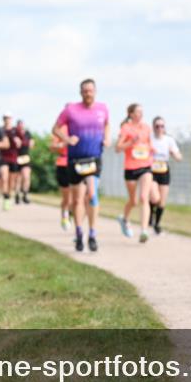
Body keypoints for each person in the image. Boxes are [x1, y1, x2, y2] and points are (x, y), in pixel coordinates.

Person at [53, 79, 111, 252]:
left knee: (92, 195)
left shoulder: (103, 108)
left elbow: (107, 124)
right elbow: (55, 129)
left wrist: (107, 138)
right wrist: (67, 139)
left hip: (94, 157)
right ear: (80, 92)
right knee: (78, 199)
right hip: (75, 159)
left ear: (95, 91)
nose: (88, 93)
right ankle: (79, 233)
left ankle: (92, 233)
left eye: (91, 90)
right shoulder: (70, 110)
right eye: (85, 91)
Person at [115, 103, 154, 243]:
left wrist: (151, 149)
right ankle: (124, 219)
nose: (140, 114)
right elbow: (118, 148)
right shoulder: (126, 128)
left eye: (141, 112)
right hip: (131, 168)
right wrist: (131, 142)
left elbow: (149, 144)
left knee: (144, 197)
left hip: (145, 166)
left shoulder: (147, 127)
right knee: (134, 200)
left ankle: (144, 230)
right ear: (131, 114)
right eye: (137, 112)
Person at [147, 116, 182, 235]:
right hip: (151, 171)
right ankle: (150, 215)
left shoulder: (169, 140)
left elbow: (178, 155)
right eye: (157, 126)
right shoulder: (149, 139)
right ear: (153, 127)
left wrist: (175, 155)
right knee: (154, 198)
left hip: (164, 170)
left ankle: (157, 224)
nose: (159, 128)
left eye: (162, 126)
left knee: (162, 201)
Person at [50, 126, 72, 231]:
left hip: (78, 163)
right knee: (67, 197)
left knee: (79, 197)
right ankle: (64, 215)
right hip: (63, 164)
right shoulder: (61, 129)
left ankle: (72, 215)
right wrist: (64, 143)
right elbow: (52, 147)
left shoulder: (81, 126)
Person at [10, 119, 34, 204]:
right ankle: (17, 194)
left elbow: (32, 143)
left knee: (26, 176)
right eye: (19, 125)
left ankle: (25, 194)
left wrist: (30, 143)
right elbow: (13, 140)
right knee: (18, 178)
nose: (20, 127)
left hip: (25, 158)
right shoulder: (14, 133)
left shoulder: (27, 133)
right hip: (16, 157)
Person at [0, 113, 17, 210]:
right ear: (3, 119)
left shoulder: (15, 130)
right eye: (5, 118)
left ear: (11, 119)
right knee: (4, 177)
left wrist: (19, 141)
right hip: (2, 157)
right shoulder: (0, 130)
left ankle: (8, 196)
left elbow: (23, 142)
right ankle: (5, 196)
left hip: (13, 157)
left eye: (8, 118)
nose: (7, 120)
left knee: (11, 181)